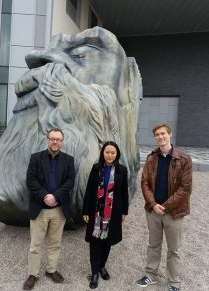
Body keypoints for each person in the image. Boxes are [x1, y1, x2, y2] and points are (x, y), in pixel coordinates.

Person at [136, 123, 192, 291]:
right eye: (157, 135)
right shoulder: (151, 157)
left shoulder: (184, 159)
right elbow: (145, 182)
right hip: (153, 211)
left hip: (174, 212)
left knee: (173, 249)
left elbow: (185, 188)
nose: (160, 137)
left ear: (170, 134)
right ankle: (150, 275)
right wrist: (153, 204)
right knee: (153, 245)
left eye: (163, 134)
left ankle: (173, 282)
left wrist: (165, 207)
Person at [23, 128, 75, 290]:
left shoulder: (69, 160)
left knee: (55, 243)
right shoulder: (36, 158)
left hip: (59, 209)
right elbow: (30, 180)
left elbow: (70, 181)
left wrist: (56, 196)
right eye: (52, 138)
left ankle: (51, 270)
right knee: (35, 244)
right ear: (47, 140)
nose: (55, 142)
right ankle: (33, 274)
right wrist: (45, 195)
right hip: (40, 207)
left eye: (58, 139)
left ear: (62, 141)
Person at [82, 141, 129, 289]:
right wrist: (85, 211)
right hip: (96, 212)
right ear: (103, 153)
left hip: (113, 213)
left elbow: (124, 193)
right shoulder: (96, 168)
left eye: (112, 153)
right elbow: (89, 190)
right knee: (95, 242)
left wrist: (124, 211)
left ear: (117, 154)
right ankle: (94, 272)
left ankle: (102, 266)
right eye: (107, 152)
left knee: (107, 241)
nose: (109, 155)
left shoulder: (122, 170)